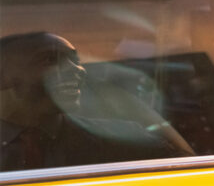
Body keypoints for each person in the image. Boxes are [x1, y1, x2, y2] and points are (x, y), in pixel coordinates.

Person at [0, 31, 191, 170]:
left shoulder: (126, 141)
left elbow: (190, 181)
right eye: (50, 60)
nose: (77, 69)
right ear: (3, 77)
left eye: (76, 60)